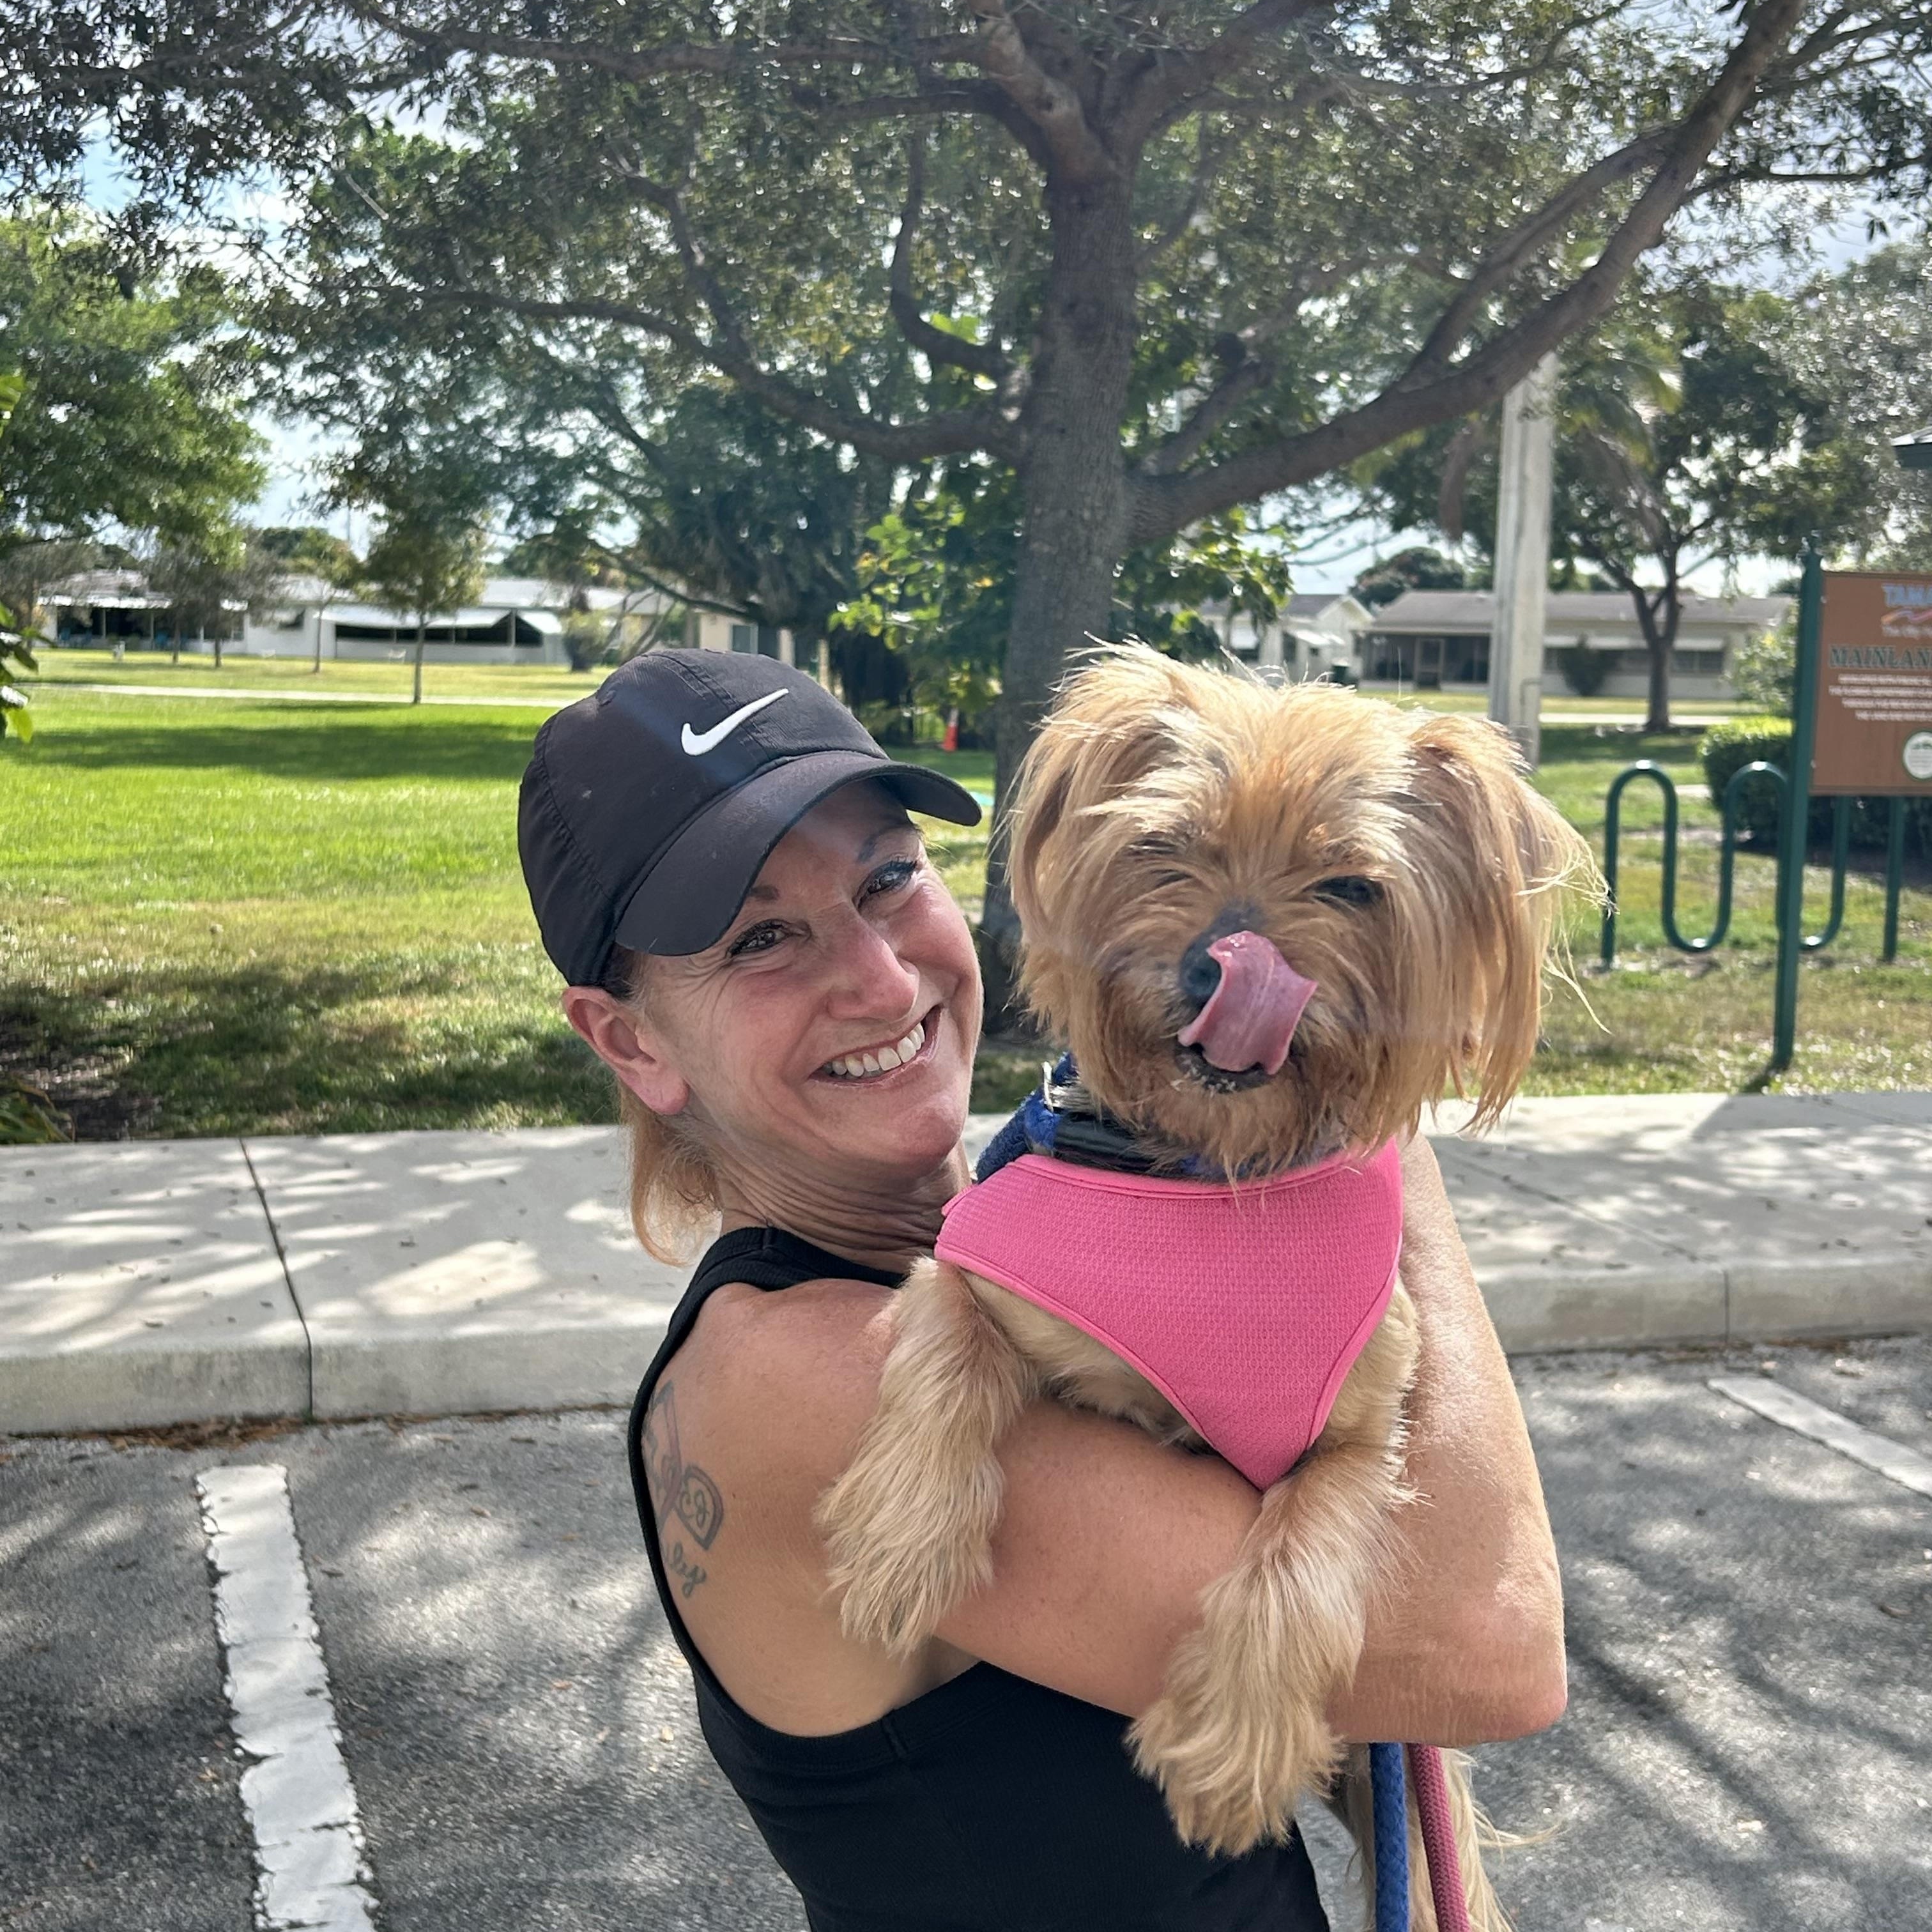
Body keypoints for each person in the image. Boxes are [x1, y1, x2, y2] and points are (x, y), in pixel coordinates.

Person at [519, 650, 1567, 1932]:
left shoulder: (1036, 1235)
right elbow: (1488, 1645)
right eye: (762, 940)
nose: (882, 980)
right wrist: (1374, 1108)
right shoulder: (807, 1377)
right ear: (631, 1040)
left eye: (888, 880)